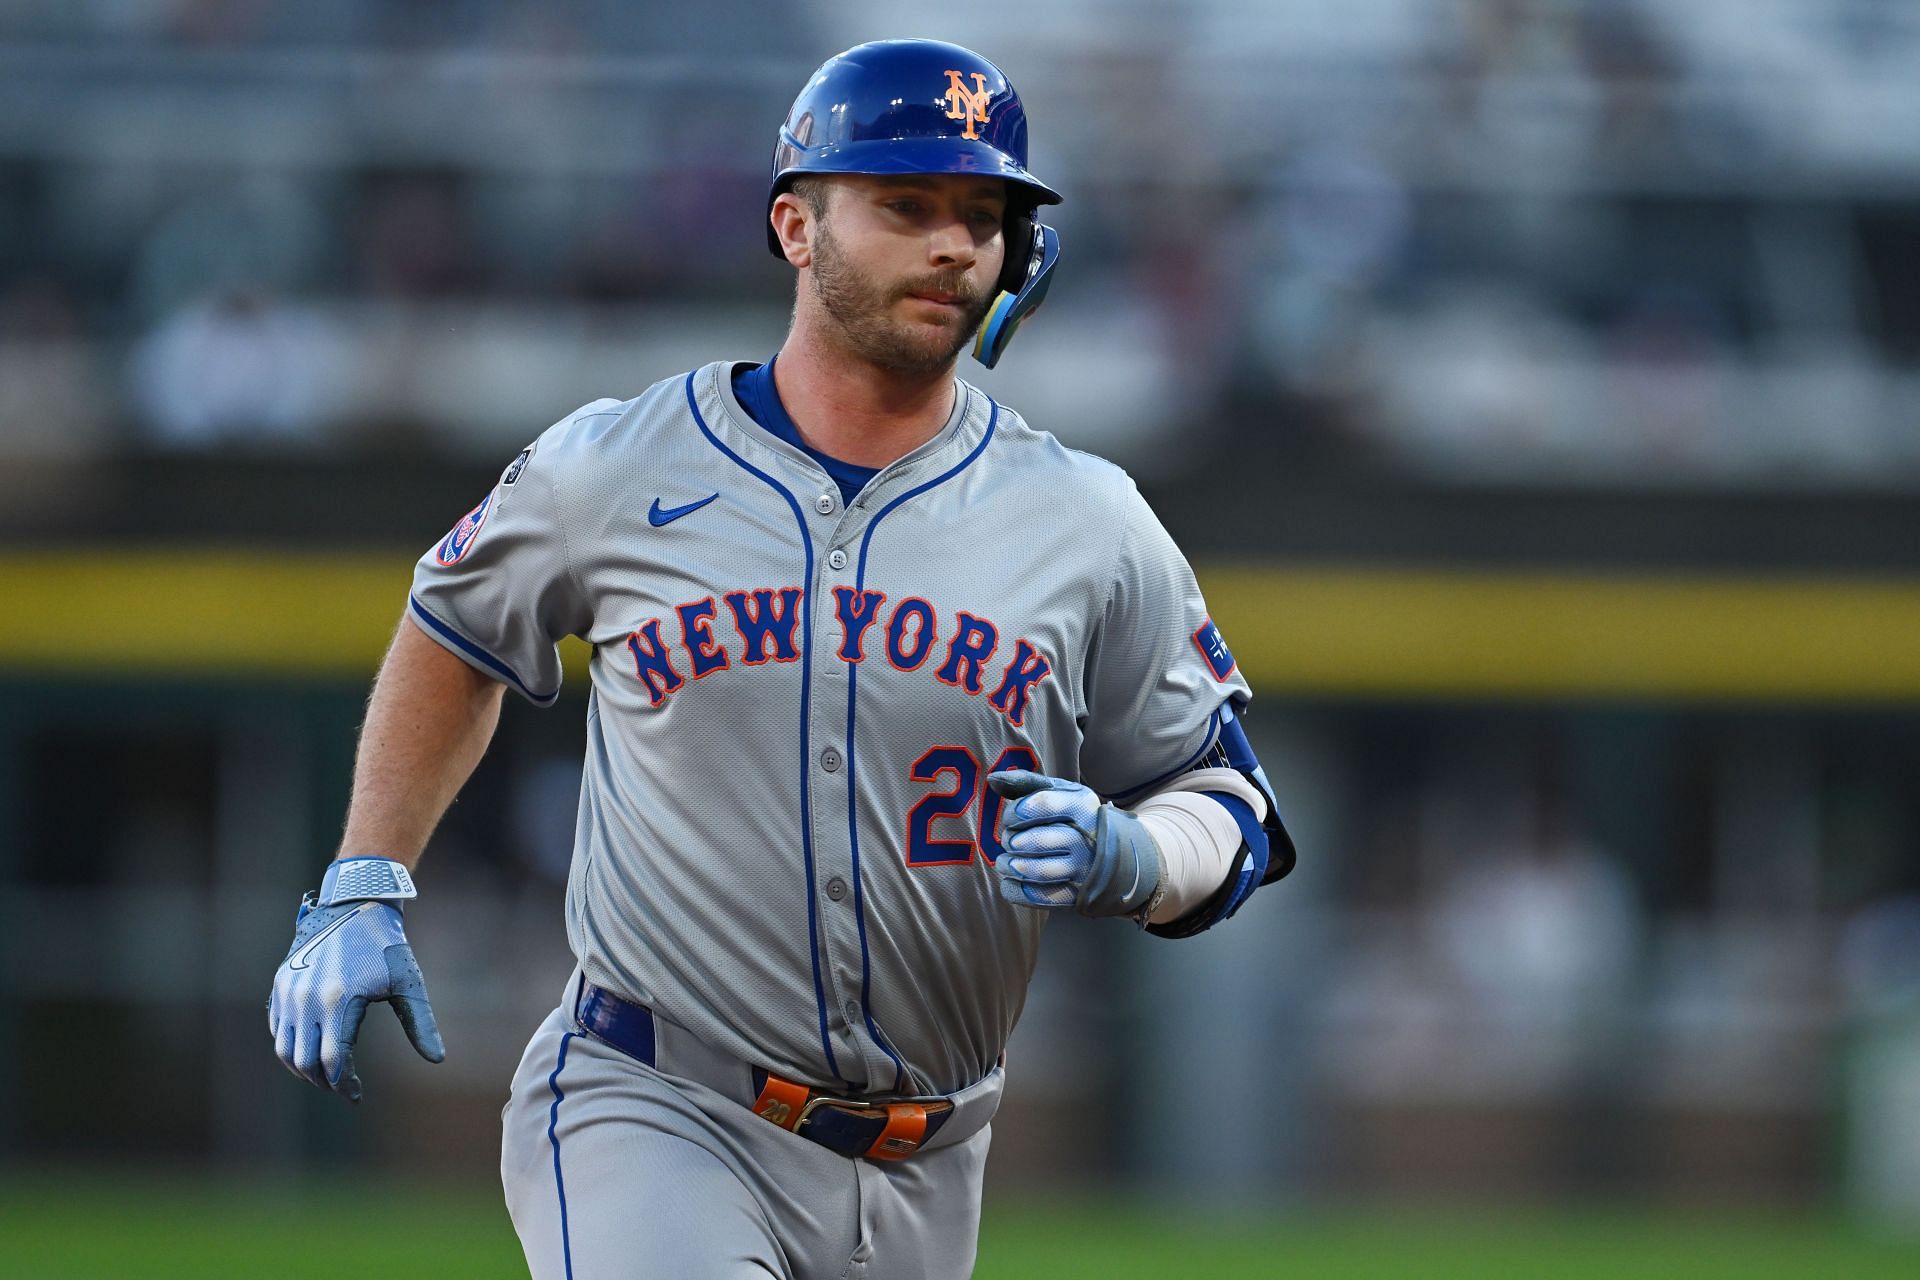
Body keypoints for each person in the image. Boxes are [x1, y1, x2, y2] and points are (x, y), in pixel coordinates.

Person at [268, 38, 1294, 1280]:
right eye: (905, 204)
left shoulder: (1087, 517)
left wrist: (1141, 854)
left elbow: (1231, 804)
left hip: (932, 1160)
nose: (952, 245)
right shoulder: (620, 463)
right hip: (656, 1099)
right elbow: (456, 624)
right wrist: (364, 874)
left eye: (984, 214)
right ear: (796, 228)